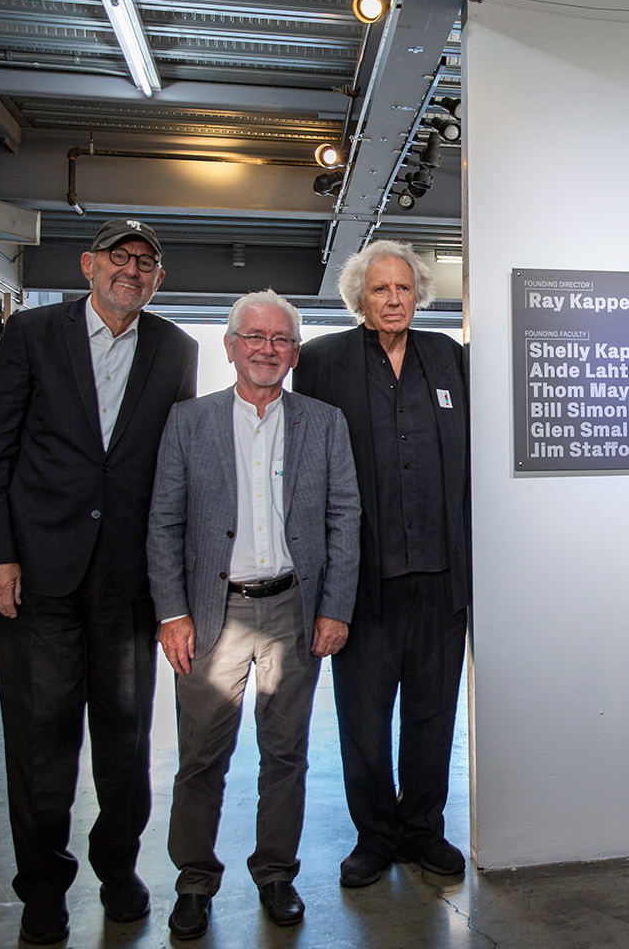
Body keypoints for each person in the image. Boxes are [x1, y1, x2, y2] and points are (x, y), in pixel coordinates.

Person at [0, 218, 197, 945]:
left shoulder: (176, 349)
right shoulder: (32, 335)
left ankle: (119, 867)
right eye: (120, 258)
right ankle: (42, 886)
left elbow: (172, 467)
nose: (133, 269)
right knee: (42, 741)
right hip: (39, 579)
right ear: (88, 266)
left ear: (159, 279)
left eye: (147, 262)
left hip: (128, 580)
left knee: (126, 741)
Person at [146, 290, 360, 939]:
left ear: (295, 352)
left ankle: (276, 874)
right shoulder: (190, 422)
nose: (268, 350)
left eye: (281, 340)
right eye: (256, 337)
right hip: (214, 616)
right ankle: (193, 882)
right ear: (231, 346)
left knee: (286, 755)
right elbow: (164, 523)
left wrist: (335, 608)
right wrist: (171, 613)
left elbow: (344, 519)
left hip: (295, 612)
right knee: (201, 760)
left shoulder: (325, 423)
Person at [293, 239, 471, 887]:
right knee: (363, 721)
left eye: (402, 289)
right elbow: (307, 474)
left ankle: (423, 829)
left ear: (417, 293)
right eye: (380, 290)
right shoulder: (320, 362)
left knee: (433, 716)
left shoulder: (449, 358)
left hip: (441, 579)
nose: (393, 300)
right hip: (360, 583)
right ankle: (374, 836)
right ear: (359, 299)